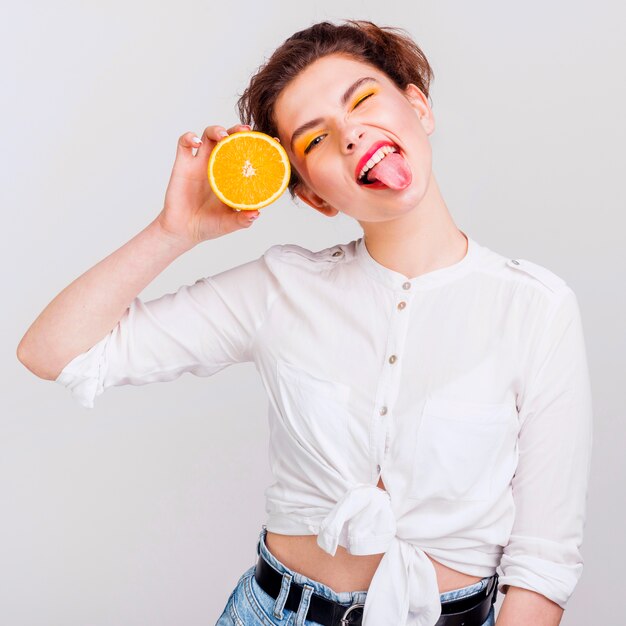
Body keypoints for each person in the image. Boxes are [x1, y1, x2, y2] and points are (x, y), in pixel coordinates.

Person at [17, 19, 593, 626]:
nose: (349, 135)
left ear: (417, 106)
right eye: (314, 140)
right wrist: (175, 232)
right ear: (314, 197)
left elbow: (543, 568)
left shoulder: (536, 308)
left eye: (364, 99)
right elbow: (51, 352)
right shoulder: (280, 289)